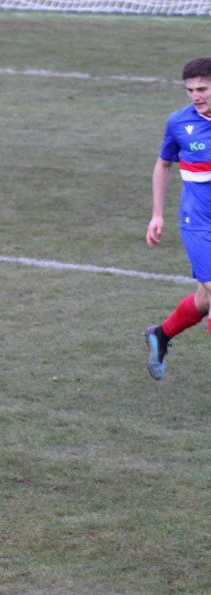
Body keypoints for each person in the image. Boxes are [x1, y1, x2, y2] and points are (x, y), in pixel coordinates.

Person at [145, 57, 211, 380]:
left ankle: (161, 334)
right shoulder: (179, 122)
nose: (196, 96)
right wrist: (157, 214)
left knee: (204, 300)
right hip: (198, 223)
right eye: (190, 90)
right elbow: (163, 164)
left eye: (203, 89)